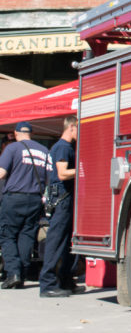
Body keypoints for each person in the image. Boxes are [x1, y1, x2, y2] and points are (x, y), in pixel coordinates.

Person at [0, 121, 52, 289]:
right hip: (35, 199)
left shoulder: (12, 149)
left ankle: (13, 272)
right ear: (32, 133)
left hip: (14, 198)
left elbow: (1, 173)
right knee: (26, 236)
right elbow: (50, 179)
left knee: (7, 235)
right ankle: (21, 274)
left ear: (16, 134)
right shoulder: (44, 151)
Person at [40, 117, 80, 298]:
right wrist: (82, 169)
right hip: (62, 198)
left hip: (63, 198)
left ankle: (65, 280)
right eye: (78, 129)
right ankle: (47, 284)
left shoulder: (64, 147)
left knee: (66, 243)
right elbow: (63, 173)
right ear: (71, 127)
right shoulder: (63, 147)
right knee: (56, 241)